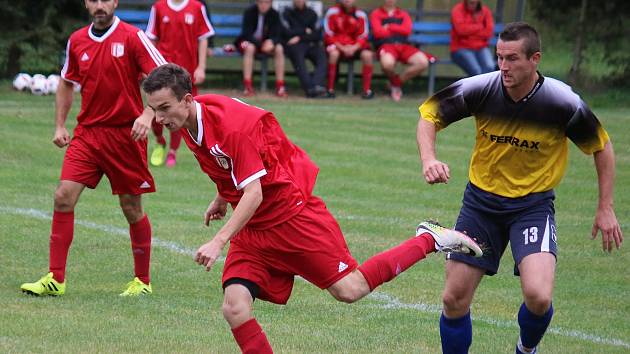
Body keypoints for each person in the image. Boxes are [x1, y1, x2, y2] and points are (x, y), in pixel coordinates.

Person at [142, 63, 482, 353]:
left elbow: (254, 192)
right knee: (235, 307)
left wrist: (218, 241)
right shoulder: (188, 121)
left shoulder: (230, 126)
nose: (158, 118)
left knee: (350, 290)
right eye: (154, 109)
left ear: (187, 99)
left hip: (291, 218)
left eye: (164, 108)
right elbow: (228, 164)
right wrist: (221, 196)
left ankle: (429, 239)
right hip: (255, 230)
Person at [417, 22, 623, 354]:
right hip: (480, 204)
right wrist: (429, 159)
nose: (503, 67)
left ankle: (525, 350)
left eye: (512, 59)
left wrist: (606, 207)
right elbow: (429, 115)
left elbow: (602, 146)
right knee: (453, 298)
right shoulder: (482, 87)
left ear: (535, 59)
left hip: (532, 207)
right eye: (499, 57)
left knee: (539, 297)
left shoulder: (561, 101)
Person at [20, 0, 167, 297]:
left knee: (131, 207)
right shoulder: (77, 40)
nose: (100, 5)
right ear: (87, 3)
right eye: (94, 0)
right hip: (88, 135)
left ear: (115, 2)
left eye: (105, 0)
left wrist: (148, 114)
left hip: (126, 137)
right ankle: (55, 278)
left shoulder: (132, 37)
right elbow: (66, 82)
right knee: (63, 196)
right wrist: (60, 125)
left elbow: (164, 76)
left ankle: (142, 281)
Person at [145, 0, 215, 167]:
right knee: (158, 109)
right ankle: (160, 140)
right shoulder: (159, 7)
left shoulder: (197, 7)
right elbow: (151, 40)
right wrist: (149, 67)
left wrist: (201, 67)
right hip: (163, 72)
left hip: (186, 72)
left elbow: (203, 39)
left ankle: (173, 151)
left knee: (180, 111)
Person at [370, 0, 431, 101]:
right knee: (387, 64)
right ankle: (396, 86)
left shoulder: (403, 14)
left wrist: (389, 27)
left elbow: (407, 31)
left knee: (423, 62)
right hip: (386, 45)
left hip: (403, 46)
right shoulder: (376, 13)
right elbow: (377, 33)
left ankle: (395, 83)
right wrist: (398, 29)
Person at [323, 0, 374, 99]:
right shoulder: (332, 12)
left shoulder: (360, 15)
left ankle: (367, 91)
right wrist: (342, 47)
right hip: (337, 46)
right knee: (333, 54)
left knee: (367, 55)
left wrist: (354, 47)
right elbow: (328, 35)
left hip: (355, 47)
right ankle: (330, 90)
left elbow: (363, 36)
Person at [236, 0, 287, 97]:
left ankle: (280, 86)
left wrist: (272, 42)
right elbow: (246, 34)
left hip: (267, 45)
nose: (263, 5)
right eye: (261, 2)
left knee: (279, 48)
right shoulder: (249, 12)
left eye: (266, 2)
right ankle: (248, 86)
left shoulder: (274, 14)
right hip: (252, 43)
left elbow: (279, 34)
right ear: (257, 2)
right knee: (250, 48)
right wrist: (261, 44)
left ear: (271, 3)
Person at [281, 0, 328, 98]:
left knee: (322, 55)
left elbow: (317, 35)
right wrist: (304, 31)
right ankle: (310, 88)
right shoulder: (286, 13)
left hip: (310, 43)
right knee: (298, 58)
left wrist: (299, 37)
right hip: (293, 45)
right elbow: (286, 32)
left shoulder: (312, 13)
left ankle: (316, 86)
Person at [450, 0, 495, 76]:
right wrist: (480, 27)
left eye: (474, 2)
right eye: (471, 2)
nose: (473, 3)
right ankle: (478, 87)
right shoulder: (457, 10)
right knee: (476, 70)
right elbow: (461, 30)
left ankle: (481, 87)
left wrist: (469, 33)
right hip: (461, 48)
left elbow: (488, 32)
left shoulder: (485, 11)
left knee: (490, 67)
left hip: (481, 47)